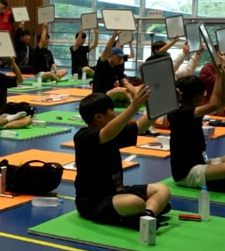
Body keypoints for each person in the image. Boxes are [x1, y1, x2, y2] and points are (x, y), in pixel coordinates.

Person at [73, 90, 171, 229]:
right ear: (99, 117)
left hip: (117, 192)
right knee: (136, 203)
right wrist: (134, 106)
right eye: (112, 110)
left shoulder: (114, 133)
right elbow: (107, 133)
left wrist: (162, 103)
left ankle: (147, 217)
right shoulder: (83, 137)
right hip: (93, 202)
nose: (116, 113)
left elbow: (141, 126)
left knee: (162, 189)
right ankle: (147, 212)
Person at [169, 64, 225, 193]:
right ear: (198, 96)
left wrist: (222, 76)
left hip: (202, 163)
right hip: (187, 173)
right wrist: (220, 75)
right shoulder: (179, 113)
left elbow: (224, 102)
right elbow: (215, 104)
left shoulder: (191, 110)